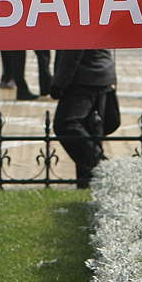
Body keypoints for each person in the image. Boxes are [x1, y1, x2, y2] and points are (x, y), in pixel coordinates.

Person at [49, 49, 119, 188]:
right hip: (98, 72)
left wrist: (59, 83)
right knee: (90, 130)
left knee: (66, 124)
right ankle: (88, 183)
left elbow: (73, 49)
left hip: (85, 75)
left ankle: (103, 166)